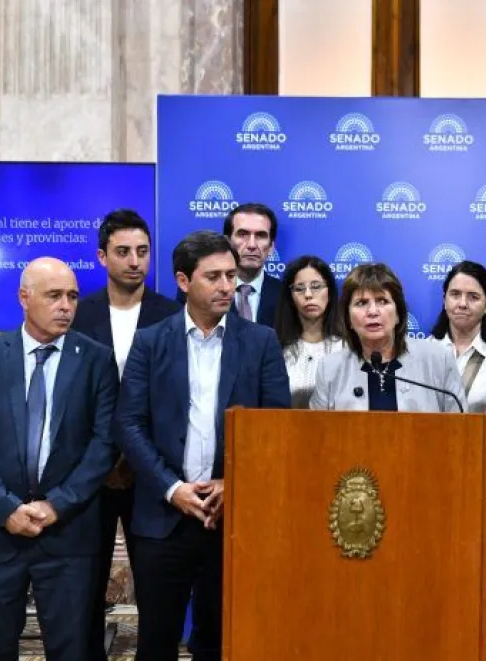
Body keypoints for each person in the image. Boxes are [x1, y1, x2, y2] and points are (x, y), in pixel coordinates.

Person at [115, 231, 291, 661]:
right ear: (182, 281)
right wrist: (172, 488)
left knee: (222, 642)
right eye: (213, 277)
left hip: (232, 518)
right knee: (156, 643)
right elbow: (129, 424)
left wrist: (235, 483)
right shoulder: (151, 341)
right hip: (163, 517)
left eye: (231, 276)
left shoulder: (260, 341)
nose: (226, 286)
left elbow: (275, 428)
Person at [0, 257, 118, 661]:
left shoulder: (96, 359)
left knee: (72, 649)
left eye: (73, 296)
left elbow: (104, 445)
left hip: (68, 535)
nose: (66, 306)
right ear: (24, 298)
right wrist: (7, 508)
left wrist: (57, 504)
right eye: (54, 295)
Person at [71, 209, 181, 661]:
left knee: (157, 592)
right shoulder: (78, 313)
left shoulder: (171, 314)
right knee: (85, 587)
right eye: (123, 252)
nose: (135, 261)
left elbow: (175, 399)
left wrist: (138, 460)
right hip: (90, 477)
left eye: (142, 251)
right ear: (102, 256)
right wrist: (103, 461)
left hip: (151, 476)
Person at [428, 260, 486, 661]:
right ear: (443, 300)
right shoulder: (420, 352)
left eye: (473, 296)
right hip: (430, 488)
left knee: (485, 582)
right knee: (432, 578)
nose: (462, 304)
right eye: (455, 294)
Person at [310, 263, 464, 413]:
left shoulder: (438, 360)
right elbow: (318, 435)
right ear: (348, 318)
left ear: (398, 314)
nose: (372, 311)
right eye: (361, 303)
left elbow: (462, 431)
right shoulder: (330, 369)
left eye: (382, 301)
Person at [175, 202, 282, 330]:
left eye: (260, 235)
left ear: (271, 247)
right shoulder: (195, 290)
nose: (252, 245)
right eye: (243, 234)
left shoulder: (285, 295)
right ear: (228, 241)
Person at [275, 255, 345, 408]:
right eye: (299, 289)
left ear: (330, 292)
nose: (308, 295)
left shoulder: (347, 347)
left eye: (316, 286)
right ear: (291, 297)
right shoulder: (277, 347)